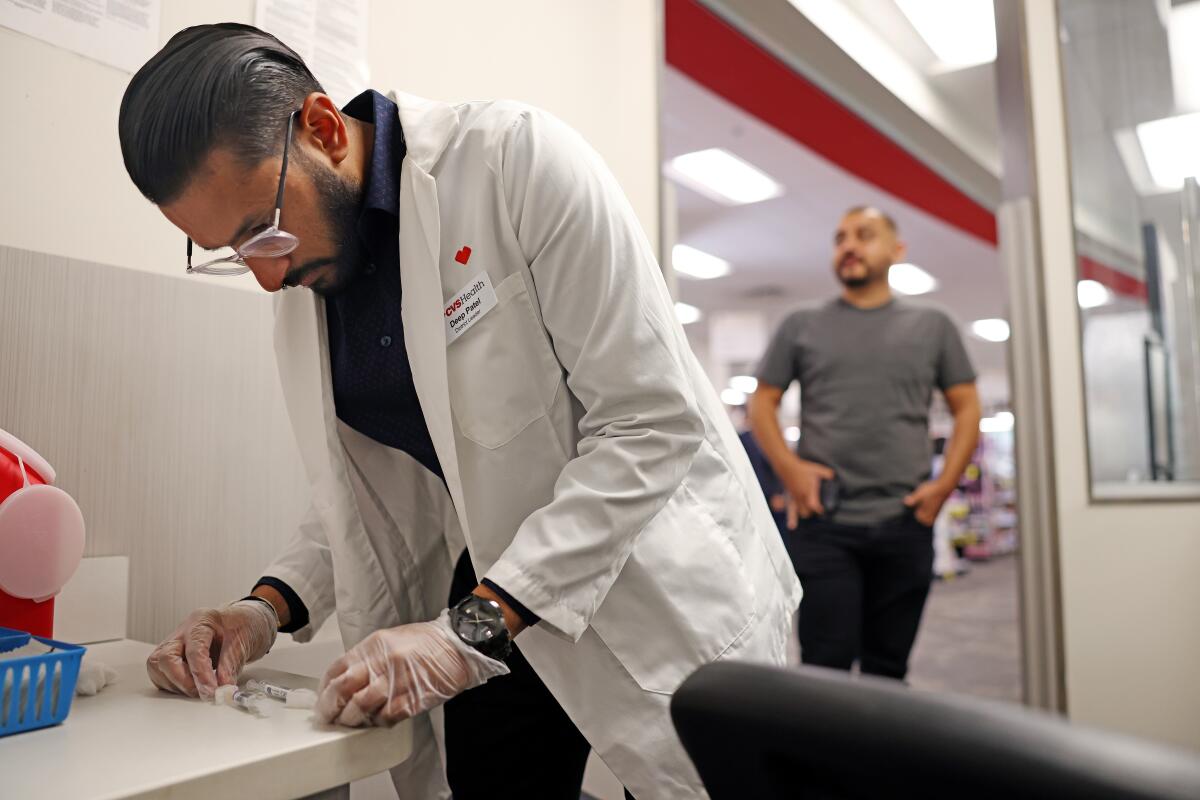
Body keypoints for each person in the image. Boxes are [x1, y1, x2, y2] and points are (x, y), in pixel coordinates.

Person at [118, 24, 800, 800]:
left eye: (262, 232)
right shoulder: (313, 278)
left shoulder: (517, 162)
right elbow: (365, 491)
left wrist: (464, 633)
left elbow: (649, 425)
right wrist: (260, 610)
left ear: (323, 128)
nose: (267, 278)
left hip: (648, 571)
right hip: (500, 586)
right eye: (236, 254)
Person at [749, 206, 980, 681]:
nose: (849, 245)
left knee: (887, 669)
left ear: (897, 251)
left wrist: (943, 488)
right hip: (823, 525)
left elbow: (968, 408)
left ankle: (873, 759)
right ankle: (820, 760)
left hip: (906, 520)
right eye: (840, 238)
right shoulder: (800, 325)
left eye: (865, 235)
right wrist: (790, 470)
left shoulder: (934, 325)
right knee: (823, 667)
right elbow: (762, 402)